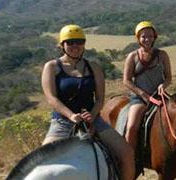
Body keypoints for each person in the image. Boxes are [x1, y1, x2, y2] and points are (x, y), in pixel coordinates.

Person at [41, 24, 135, 180]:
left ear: (84, 44)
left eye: (79, 42)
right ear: (62, 45)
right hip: (62, 122)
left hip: (93, 120)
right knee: (43, 161)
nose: (75, 46)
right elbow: (51, 98)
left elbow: (99, 98)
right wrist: (71, 116)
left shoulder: (93, 67)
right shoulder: (52, 67)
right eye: (70, 42)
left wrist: (91, 115)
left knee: (127, 153)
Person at [123, 21, 172, 152]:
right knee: (132, 126)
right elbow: (126, 81)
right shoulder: (132, 56)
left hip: (160, 96)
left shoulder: (162, 55)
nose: (147, 39)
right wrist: (144, 95)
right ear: (138, 38)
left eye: (150, 36)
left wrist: (163, 85)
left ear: (155, 37)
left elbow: (168, 77)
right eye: (143, 36)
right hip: (140, 98)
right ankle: (130, 157)